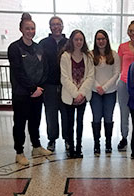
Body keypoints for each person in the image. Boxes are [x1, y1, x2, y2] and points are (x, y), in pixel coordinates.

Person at [8, 13, 51, 166]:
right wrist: (32, 88)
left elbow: (45, 68)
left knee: (35, 121)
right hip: (22, 94)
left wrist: (40, 88)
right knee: (19, 123)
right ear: (21, 29)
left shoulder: (38, 48)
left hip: (38, 92)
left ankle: (36, 147)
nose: (30, 31)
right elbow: (18, 72)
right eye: (27, 28)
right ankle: (19, 152)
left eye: (32, 28)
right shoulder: (14, 48)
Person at [60, 30, 94, 158]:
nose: (79, 42)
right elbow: (64, 78)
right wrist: (75, 94)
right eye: (76, 39)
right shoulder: (65, 56)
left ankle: (79, 147)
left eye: (81, 39)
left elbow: (90, 76)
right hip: (69, 96)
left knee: (80, 122)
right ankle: (71, 148)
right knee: (69, 124)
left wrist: (81, 94)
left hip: (83, 97)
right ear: (71, 41)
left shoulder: (88, 57)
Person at [39, 16, 68, 152]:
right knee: (51, 114)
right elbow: (39, 65)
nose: (56, 27)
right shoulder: (43, 43)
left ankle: (68, 139)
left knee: (66, 113)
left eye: (58, 24)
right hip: (49, 85)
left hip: (66, 86)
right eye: (53, 24)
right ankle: (52, 140)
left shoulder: (69, 43)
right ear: (50, 27)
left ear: (62, 26)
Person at [90, 30, 120, 155]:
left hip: (110, 92)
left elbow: (116, 73)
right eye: (98, 39)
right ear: (95, 41)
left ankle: (108, 143)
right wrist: (98, 87)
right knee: (96, 118)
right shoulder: (90, 55)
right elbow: (89, 74)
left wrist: (105, 87)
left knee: (108, 117)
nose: (101, 41)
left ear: (107, 40)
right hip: (95, 92)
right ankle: (96, 144)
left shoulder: (114, 55)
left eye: (103, 39)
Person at [117, 20, 134, 151]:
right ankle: (124, 137)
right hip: (124, 83)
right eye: (131, 30)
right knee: (124, 111)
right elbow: (120, 66)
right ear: (128, 32)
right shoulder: (122, 47)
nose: (133, 33)